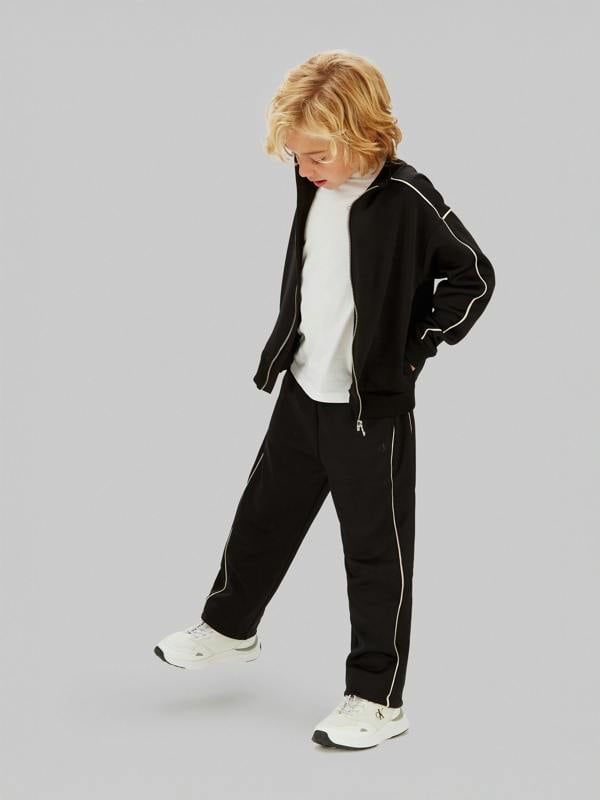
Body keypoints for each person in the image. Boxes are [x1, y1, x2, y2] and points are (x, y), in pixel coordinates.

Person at [154, 49, 496, 750]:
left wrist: (412, 350)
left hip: (369, 410)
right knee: (261, 518)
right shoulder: (314, 181)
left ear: (363, 132)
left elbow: (475, 275)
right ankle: (228, 629)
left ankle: (376, 699)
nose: (304, 168)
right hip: (303, 387)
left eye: (316, 155)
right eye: (296, 155)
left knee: (375, 556)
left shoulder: (408, 197)